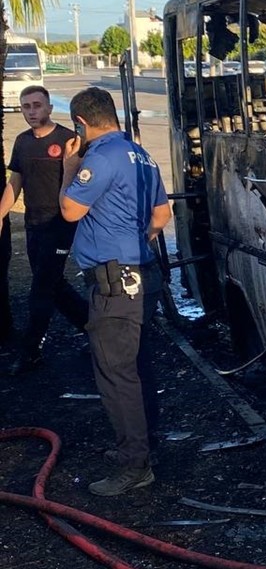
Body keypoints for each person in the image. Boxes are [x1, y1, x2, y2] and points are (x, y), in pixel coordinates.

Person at [60, 87, 171, 497]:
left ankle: (134, 466)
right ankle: (143, 445)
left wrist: (70, 166)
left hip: (114, 282)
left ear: (81, 123)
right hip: (143, 271)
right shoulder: (141, 155)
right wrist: (135, 239)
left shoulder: (99, 158)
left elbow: (71, 209)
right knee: (137, 365)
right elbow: (162, 214)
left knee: (116, 374)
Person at [0, 85, 90, 374]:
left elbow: (84, 184)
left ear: (50, 108)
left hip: (60, 224)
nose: (31, 112)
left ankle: (30, 352)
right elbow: (14, 183)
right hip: (33, 223)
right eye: (26, 106)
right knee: (54, 284)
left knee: (40, 287)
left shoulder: (69, 140)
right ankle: (94, 328)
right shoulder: (22, 142)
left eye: (37, 105)